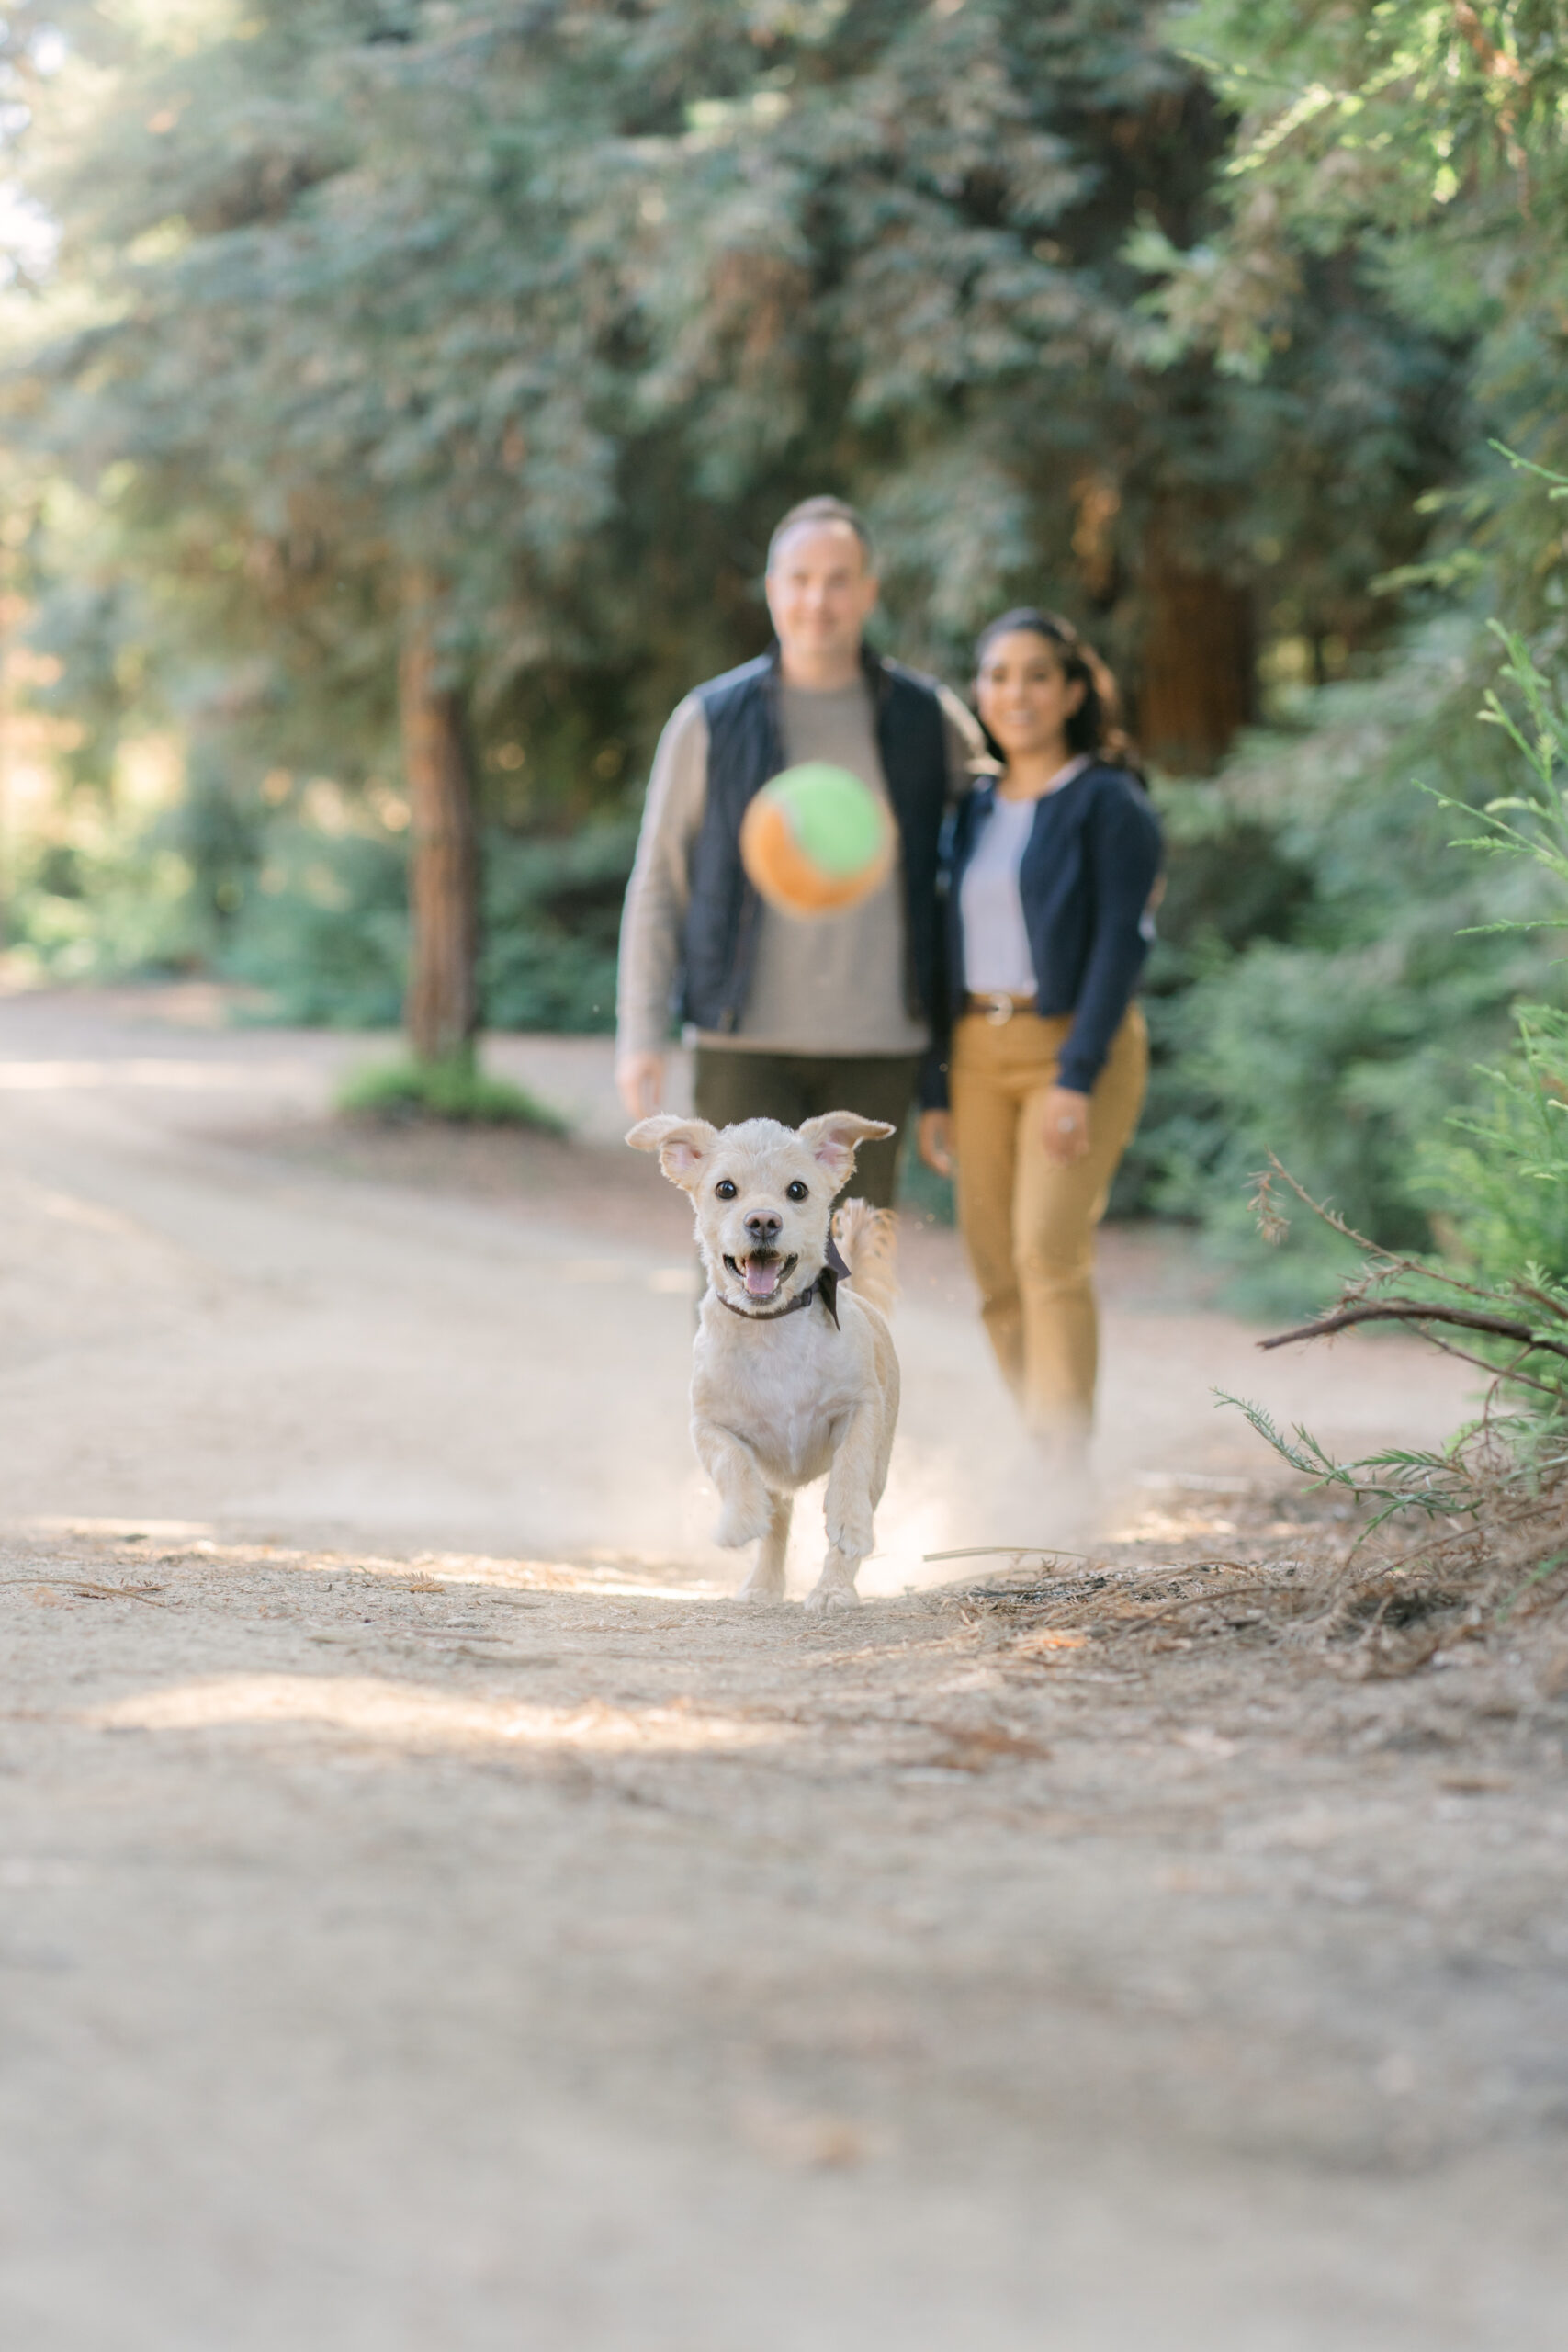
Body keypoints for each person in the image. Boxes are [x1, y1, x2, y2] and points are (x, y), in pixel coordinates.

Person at [615, 496, 981, 1210]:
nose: (819, 598)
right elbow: (660, 880)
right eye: (800, 577)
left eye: (839, 579)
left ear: (869, 592)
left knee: (853, 1273)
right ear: (772, 587)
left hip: (880, 1043)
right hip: (741, 1041)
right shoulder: (709, 721)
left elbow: (1007, 827)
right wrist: (640, 1030)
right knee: (738, 1276)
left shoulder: (925, 717)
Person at [919, 608, 1162, 1451]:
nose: (1012, 693)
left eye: (1032, 675)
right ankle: (1038, 1448)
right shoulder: (971, 807)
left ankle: (1062, 1469)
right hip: (976, 1052)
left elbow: (1120, 942)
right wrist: (934, 1089)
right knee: (992, 1270)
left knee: (1046, 1254)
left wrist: (1077, 1075)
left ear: (1067, 692)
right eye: (995, 675)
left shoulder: (1107, 801)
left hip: (1071, 1045)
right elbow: (939, 946)